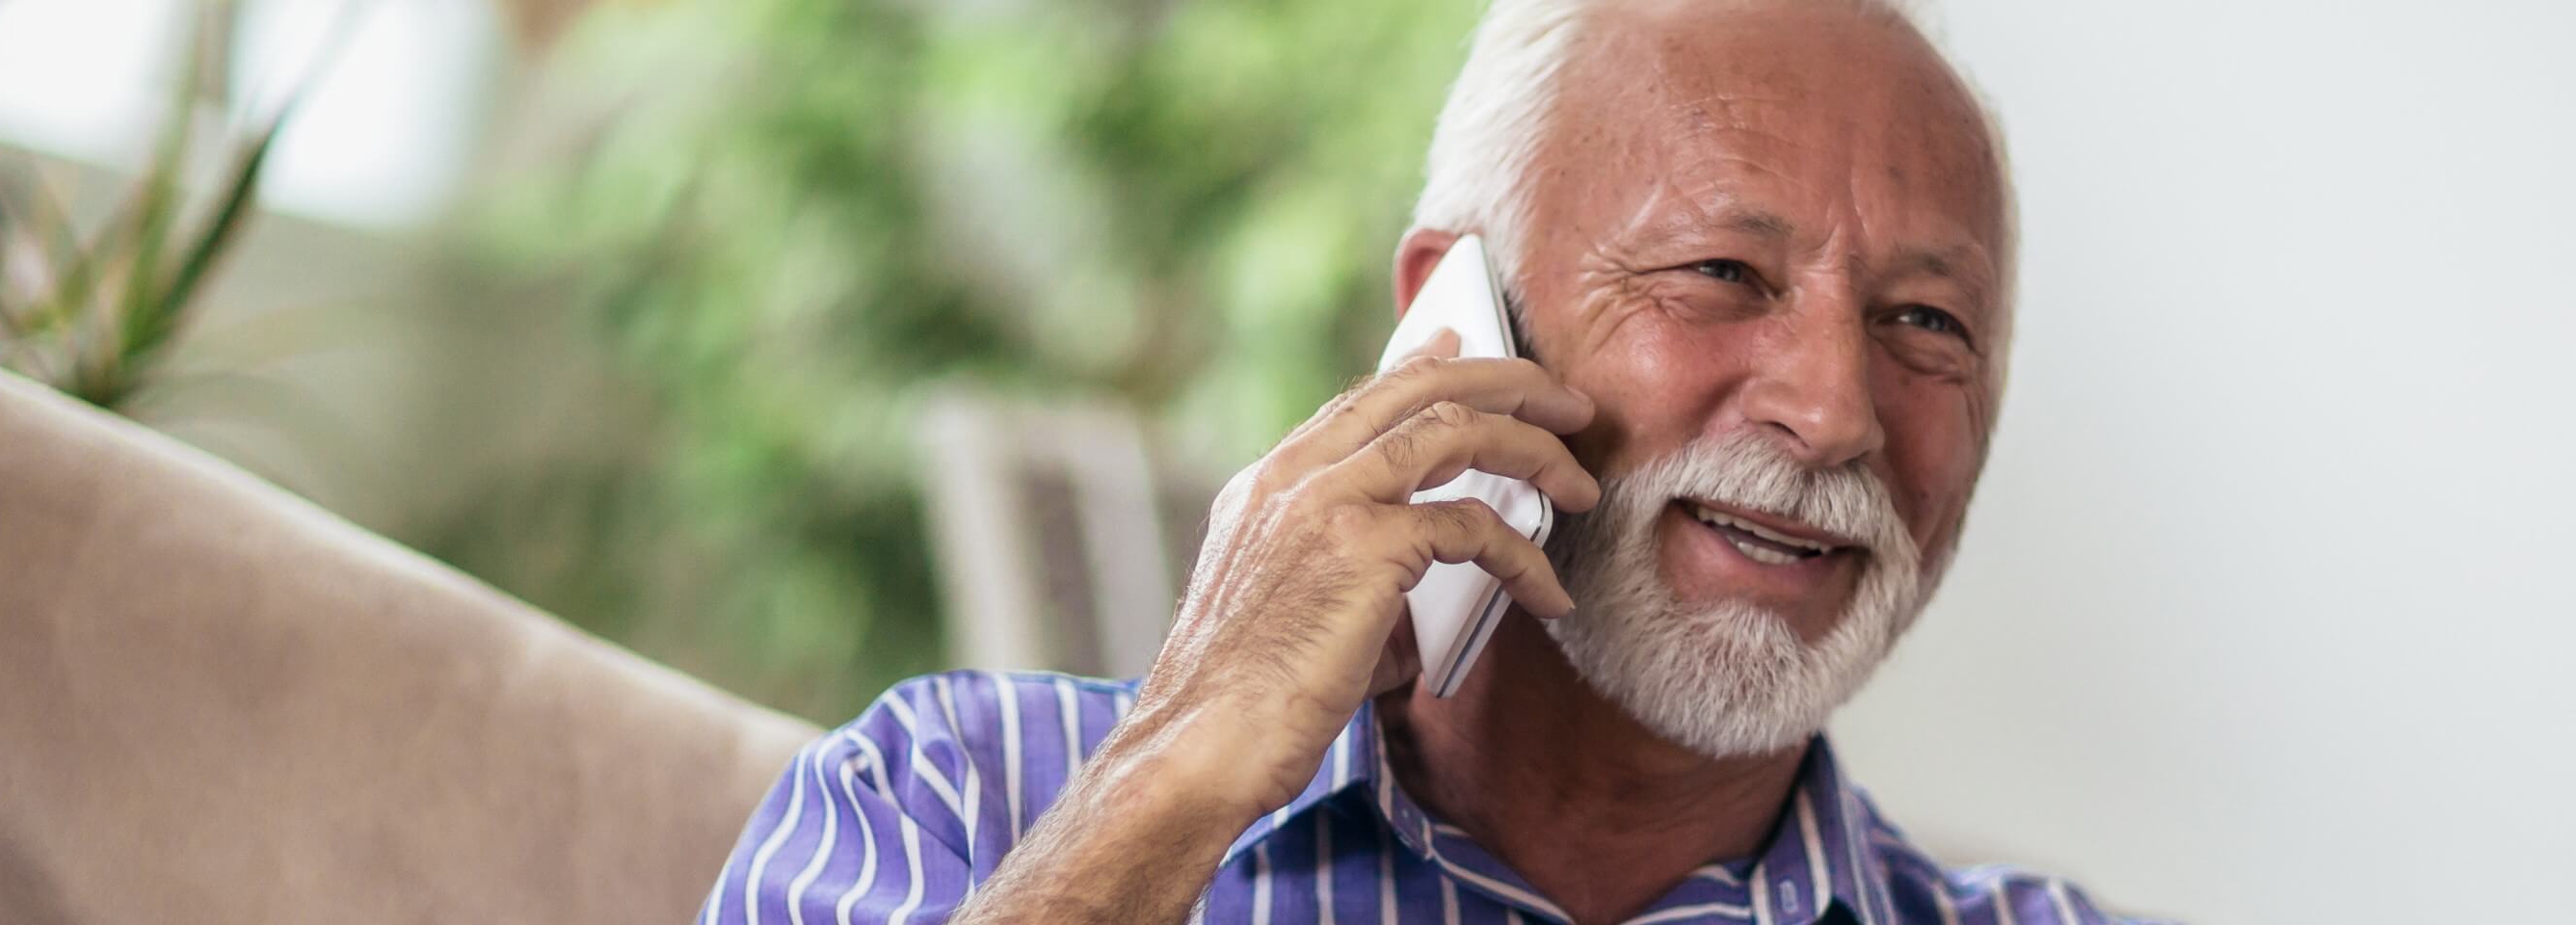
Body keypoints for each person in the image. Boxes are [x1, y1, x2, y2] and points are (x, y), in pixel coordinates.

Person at [700, 0, 2147, 922]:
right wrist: (1176, 782)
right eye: (1720, 270)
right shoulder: (944, 801)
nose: (1836, 410)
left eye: (1924, 322)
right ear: (1454, 323)